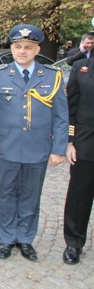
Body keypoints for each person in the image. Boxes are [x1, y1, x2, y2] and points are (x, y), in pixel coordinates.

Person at [0, 24, 68, 261]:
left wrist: (58, 149)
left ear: (37, 49)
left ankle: (25, 238)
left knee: (31, 195)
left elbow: (61, 116)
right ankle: (5, 238)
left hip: (38, 147)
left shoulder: (52, 77)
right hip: (5, 146)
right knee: (4, 194)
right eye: (18, 46)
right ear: (11, 48)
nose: (22, 51)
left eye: (28, 47)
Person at [62, 54, 94, 264]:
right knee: (79, 196)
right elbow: (70, 108)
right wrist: (70, 140)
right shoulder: (81, 67)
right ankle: (74, 242)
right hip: (86, 142)